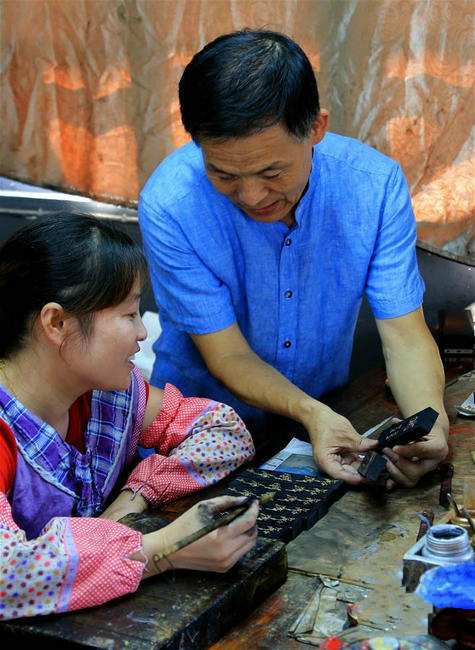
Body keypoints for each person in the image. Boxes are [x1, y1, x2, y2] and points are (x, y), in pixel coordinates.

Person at [138, 29, 449, 489]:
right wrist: (313, 414)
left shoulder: (374, 188)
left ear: (316, 128)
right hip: (195, 445)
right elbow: (228, 355)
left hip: (318, 430)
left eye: (271, 171)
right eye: (223, 173)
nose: (251, 195)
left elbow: (404, 337)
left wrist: (433, 424)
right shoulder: (171, 204)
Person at [0, 214, 257, 620]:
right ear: (57, 322)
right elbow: (7, 575)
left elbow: (222, 430)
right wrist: (163, 550)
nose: (141, 333)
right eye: (128, 314)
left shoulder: (107, 396)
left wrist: (132, 498)